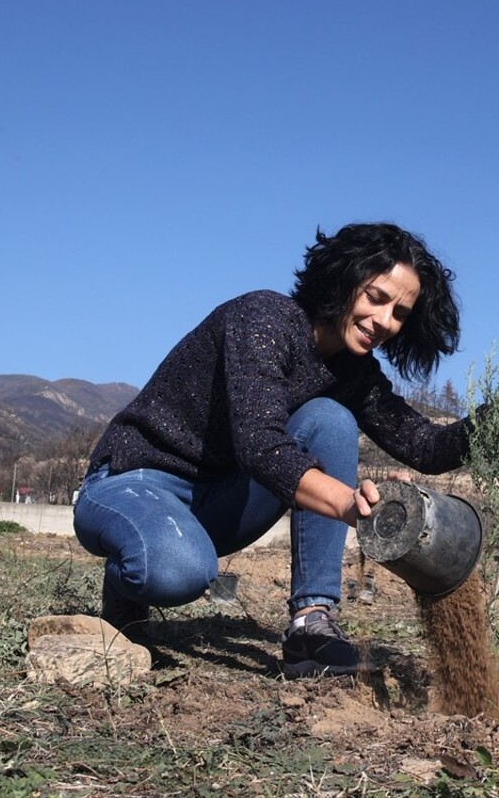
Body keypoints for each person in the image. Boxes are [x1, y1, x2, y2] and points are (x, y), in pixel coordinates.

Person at [73, 222, 474, 679]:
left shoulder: (353, 371)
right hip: (133, 482)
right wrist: (350, 504)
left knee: (328, 419)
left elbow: (425, 446)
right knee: (177, 571)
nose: (384, 321)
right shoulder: (265, 318)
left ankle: (311, 624)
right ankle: (127, 582)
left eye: (400, 312)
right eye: (376, 297)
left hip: (215, 501)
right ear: (342, 280)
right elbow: (260, 445)